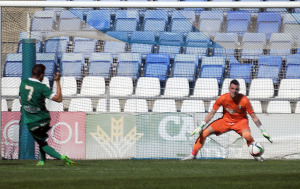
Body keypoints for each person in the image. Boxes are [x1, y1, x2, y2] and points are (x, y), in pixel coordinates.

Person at [182, 79, 273, 161]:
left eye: (236, 89)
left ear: (239, 89)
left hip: (240, 122)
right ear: (229, 88)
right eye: (232, 88)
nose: (234, 91)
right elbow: (212, 113)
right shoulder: (223, 98)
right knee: (204, 133)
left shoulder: (244, 100)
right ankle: (192, 155)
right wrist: (201, 125)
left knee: (248, 136)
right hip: (225, 121)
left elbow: (254, 117)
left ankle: (256, 155)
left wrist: (262, 130)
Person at [19, 64, 76, 166]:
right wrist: (57, 81)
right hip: (44, 118)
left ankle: (62, 157)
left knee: (42, 143)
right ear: (41, 75)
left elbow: (20, 100)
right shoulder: (42, 87)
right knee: (42, 139)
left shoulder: (23, 83)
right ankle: (42, 161)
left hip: (32, 121)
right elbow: (58, 98)